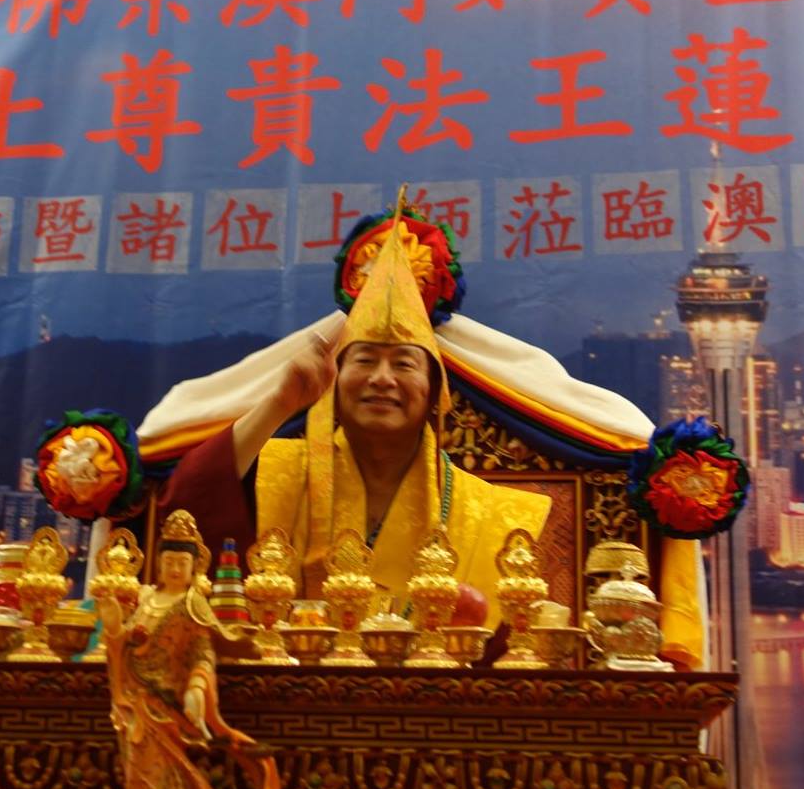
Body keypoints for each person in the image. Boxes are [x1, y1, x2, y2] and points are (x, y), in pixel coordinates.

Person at [162, 207, 548, 608]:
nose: (382, 378)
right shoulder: (280, 473)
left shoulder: (493, 518)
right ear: (335, 381)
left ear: (435, 392)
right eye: (364, 360)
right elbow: (186, 510)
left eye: (403, 364)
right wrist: (278, 405)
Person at [97, 509, 281, 789]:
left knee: (156, 783)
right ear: (159, 564)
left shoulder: (193, 605)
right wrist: (114, 625)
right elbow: (123, 646)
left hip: (166, 708)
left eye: (182, 562)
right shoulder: (147, 600)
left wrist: (197, 689)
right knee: (138, 784)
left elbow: (202, 653)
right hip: (134, 704)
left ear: (194, 566)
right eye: (169, 561)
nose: (175, 568)